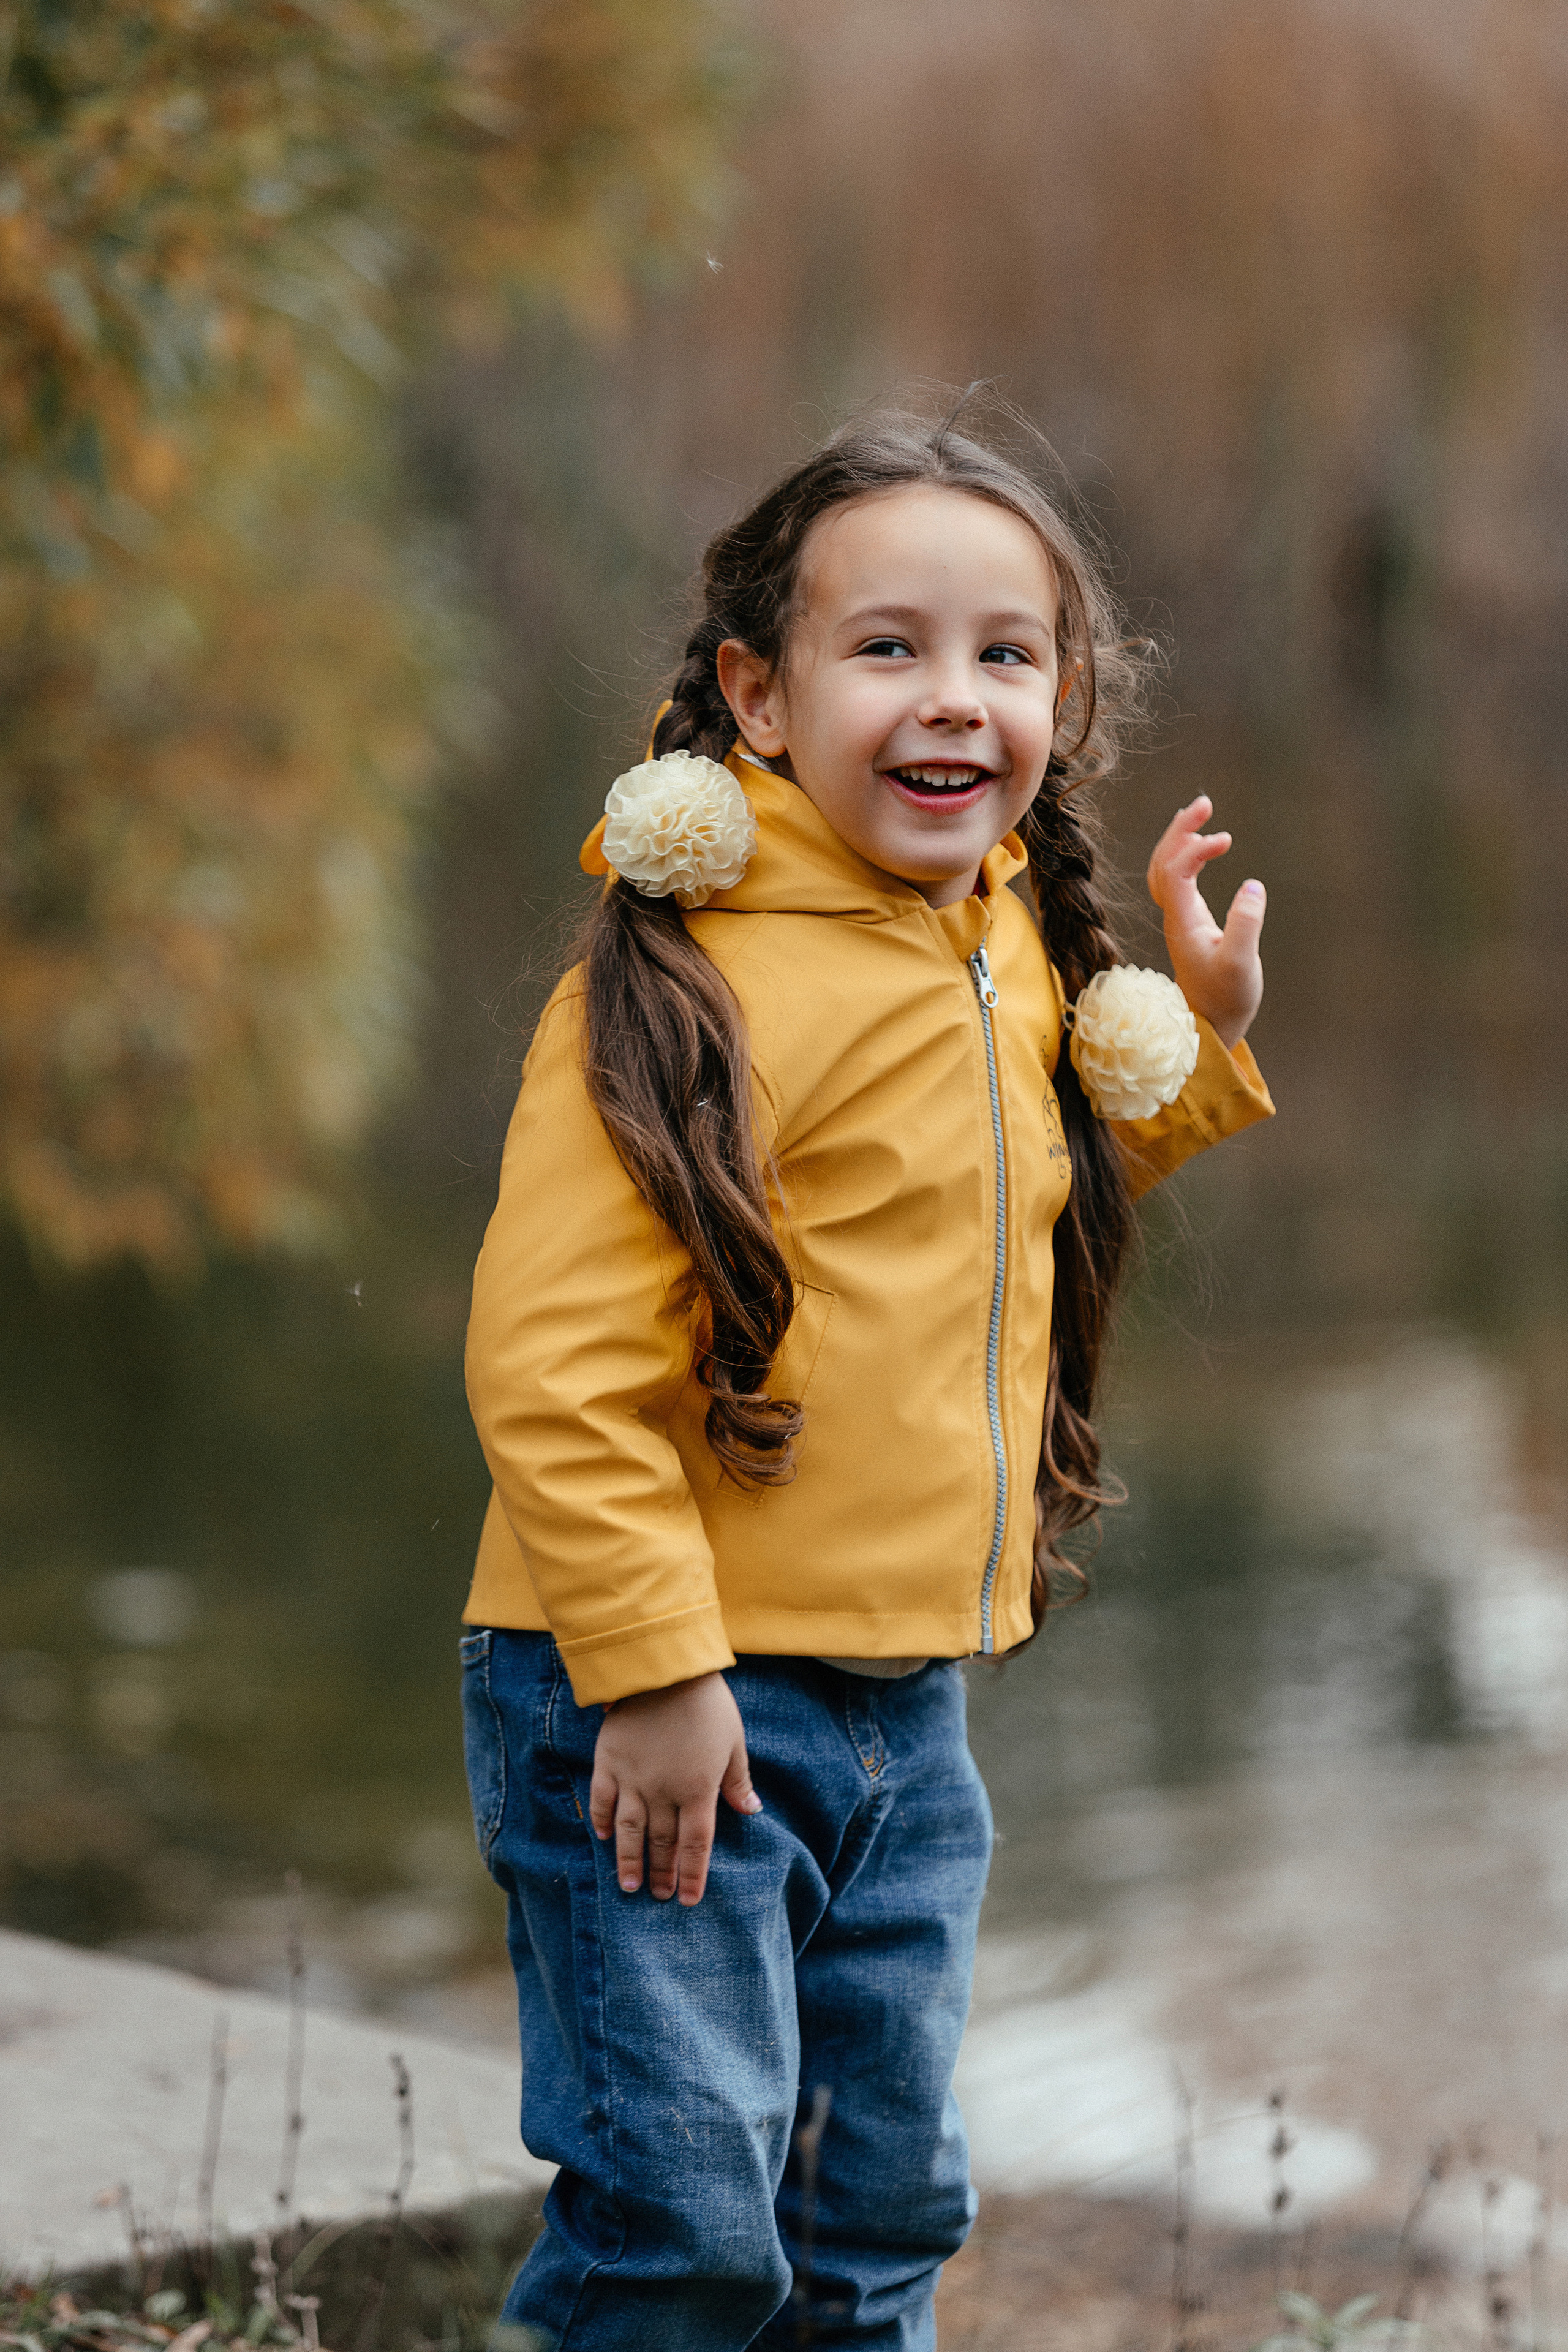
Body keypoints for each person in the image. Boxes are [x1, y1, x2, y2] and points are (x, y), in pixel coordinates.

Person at [459, 403, 1273, 2350]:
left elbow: (982, 1204)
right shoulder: (690, 981)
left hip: (908, 1709)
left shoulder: (999, 948)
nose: (953, 699)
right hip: (662, 1699)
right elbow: (554, 1366)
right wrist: (651, 1677)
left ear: (1065, 703)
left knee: (873, 2211)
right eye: (886, 647)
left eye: (1007, 655)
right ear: (759, 690)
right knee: (685, 2229)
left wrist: (1205, 1039)